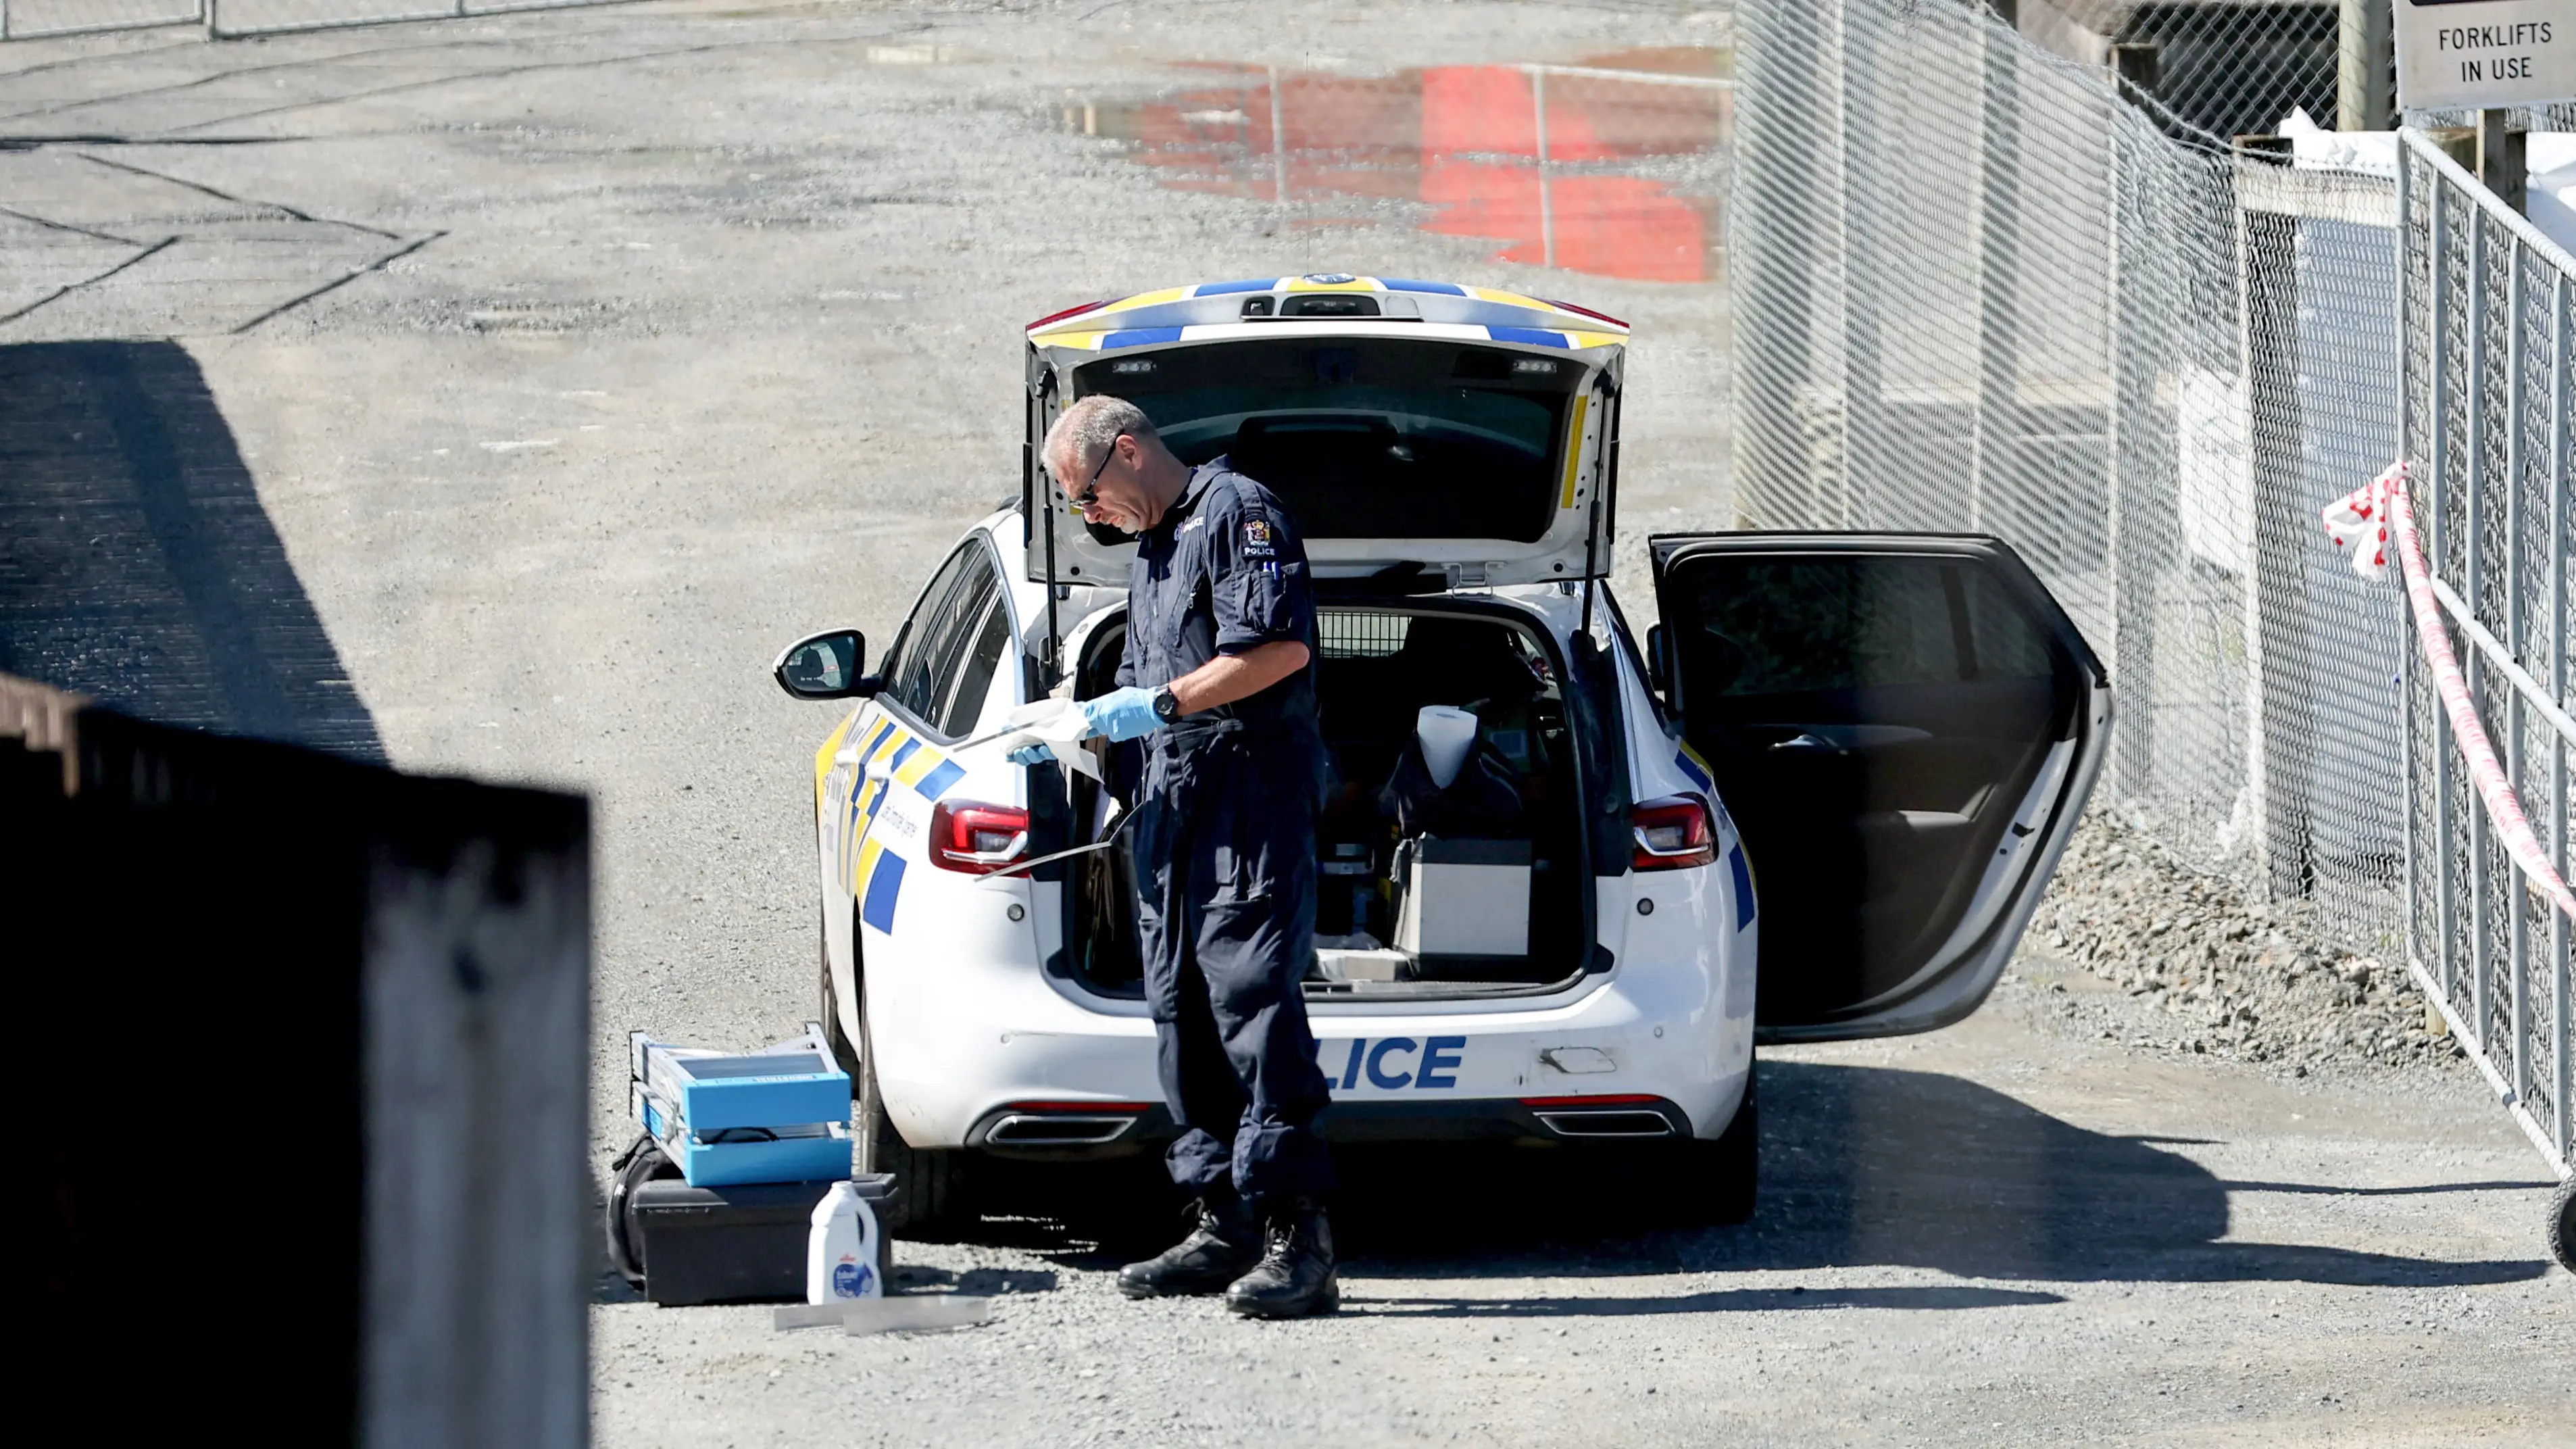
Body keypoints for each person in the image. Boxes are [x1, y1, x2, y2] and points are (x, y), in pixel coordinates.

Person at [1017, 394, 1339, 1319]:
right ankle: (1222, 1219)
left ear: (1126, 452)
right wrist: (1080, 729)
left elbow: (1275, 650)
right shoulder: (1157, 552)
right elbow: (1141, 679)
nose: (1088, 517)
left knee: (1250, 998)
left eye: (1087, 495)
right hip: (1172, 805)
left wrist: (1156, 709)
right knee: (1180, 1007)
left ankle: (1297, 1236)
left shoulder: (1238, 513)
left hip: (1247, 794)